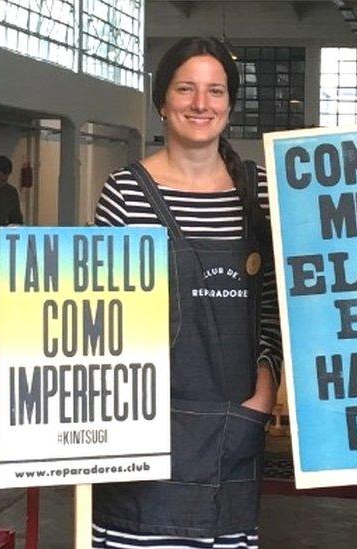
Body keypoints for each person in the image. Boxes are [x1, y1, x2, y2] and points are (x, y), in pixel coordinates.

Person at [91, 36, 281, 549]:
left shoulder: (263, 191)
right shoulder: (125, 190)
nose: (201, 104)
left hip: (232, 425)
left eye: (215, 91)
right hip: (141, 427)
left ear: (230, 105)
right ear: (161, 101)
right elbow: (101, 317)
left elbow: (277, 312)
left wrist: (259, 403)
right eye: (186, 89)